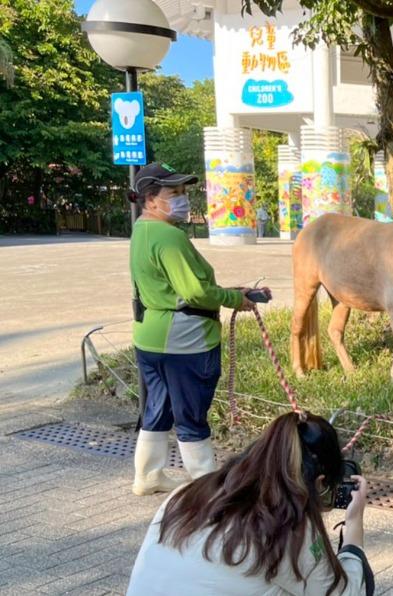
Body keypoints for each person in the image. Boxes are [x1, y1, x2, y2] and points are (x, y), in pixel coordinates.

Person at [129, 162, 266, 495]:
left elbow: (172, 287)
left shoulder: (141, 231)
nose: (182, 198)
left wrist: (230, 290)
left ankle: (148, 476)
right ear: (150, 199)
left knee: (158, 408)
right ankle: (206, 486)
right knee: (191, 414)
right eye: (173, 193)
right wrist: (235, 299)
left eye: (184, 192)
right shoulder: (170, 236)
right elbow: (195, 293)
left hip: (150, 338)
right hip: (185, 341)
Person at [127, 411, 373, 595]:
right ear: (319, 483)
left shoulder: (186, 495)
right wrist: (353, 533)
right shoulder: (287, 527)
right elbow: (346, 592)